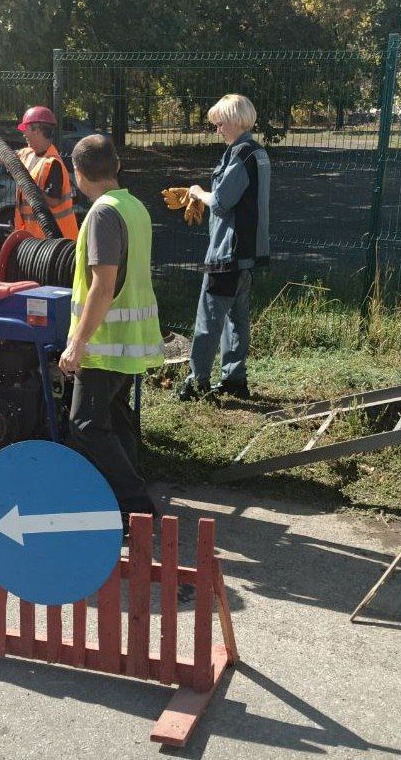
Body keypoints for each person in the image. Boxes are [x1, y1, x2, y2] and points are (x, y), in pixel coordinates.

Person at [58, 134, 163, 525]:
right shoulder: (134, 206)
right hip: (128, 345)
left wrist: (77, 343)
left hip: (104, 346)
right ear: (116, 166)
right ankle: (129, 510)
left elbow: (103, 286)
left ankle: (137, 507)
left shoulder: (102, 213)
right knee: (116, 423)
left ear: (78, 173)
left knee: (84, 425)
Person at [177, 94, 271, 401]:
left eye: (220, 122)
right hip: (248, 254)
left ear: (235, 120)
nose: (218, 129)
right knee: (237, 319)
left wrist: (197, 192)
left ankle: (196, 382)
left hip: (226, 254)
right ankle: (234, 379)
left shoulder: (241, 154)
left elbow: (220, 203)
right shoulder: (258, 152)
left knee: (209, 318)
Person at [0, 106, 79, 240]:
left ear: (37, 130)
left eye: (26, 129)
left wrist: (30, 186)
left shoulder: (52, 163)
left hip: (55, 245)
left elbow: (53, 201)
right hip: (34, 239)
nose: (24, 134)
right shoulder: (26, 154)